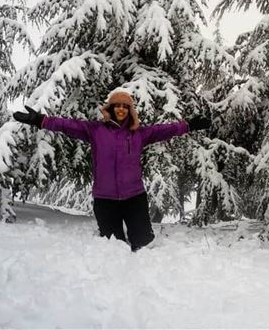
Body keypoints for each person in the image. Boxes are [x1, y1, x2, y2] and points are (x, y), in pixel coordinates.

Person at [13, 90, 210, 251]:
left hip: (134, 197)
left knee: (143, 244)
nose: (122, 109)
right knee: (114, 248)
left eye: (126, 106)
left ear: (130, 110)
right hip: (105, 199)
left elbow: (165, 130)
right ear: (111, 108)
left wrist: (189, 125)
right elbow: (67, 125)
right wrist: (41, 120)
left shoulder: (139, 133)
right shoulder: (95, 130)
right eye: (118, 105)